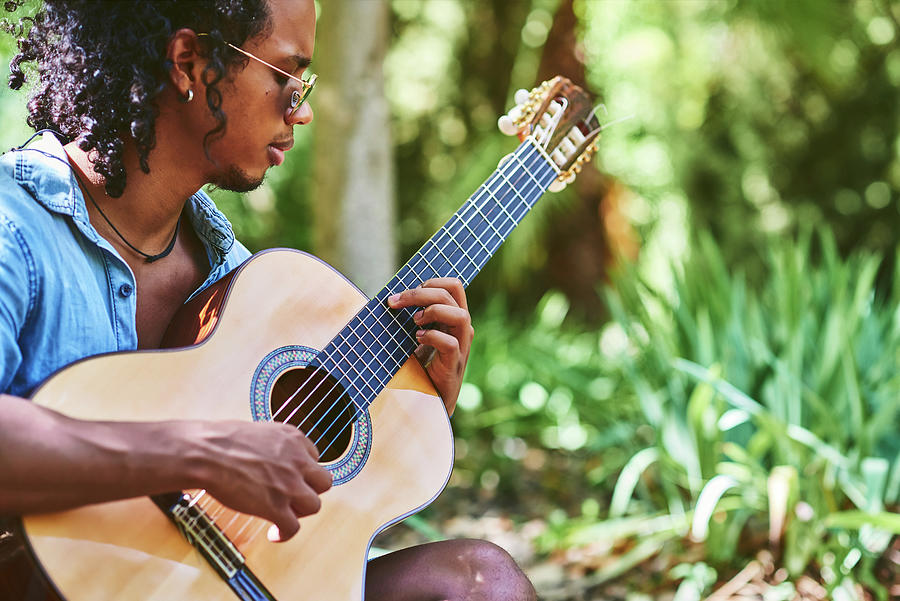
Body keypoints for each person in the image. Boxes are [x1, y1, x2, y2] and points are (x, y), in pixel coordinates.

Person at [0, 1, 536, 600]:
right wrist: (194, 453)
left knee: (484, 583)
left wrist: (407, 417)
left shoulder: (241, 281)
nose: (301, 111)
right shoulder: (13, 228)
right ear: (187, 63)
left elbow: (301, 531)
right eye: (285, 76)